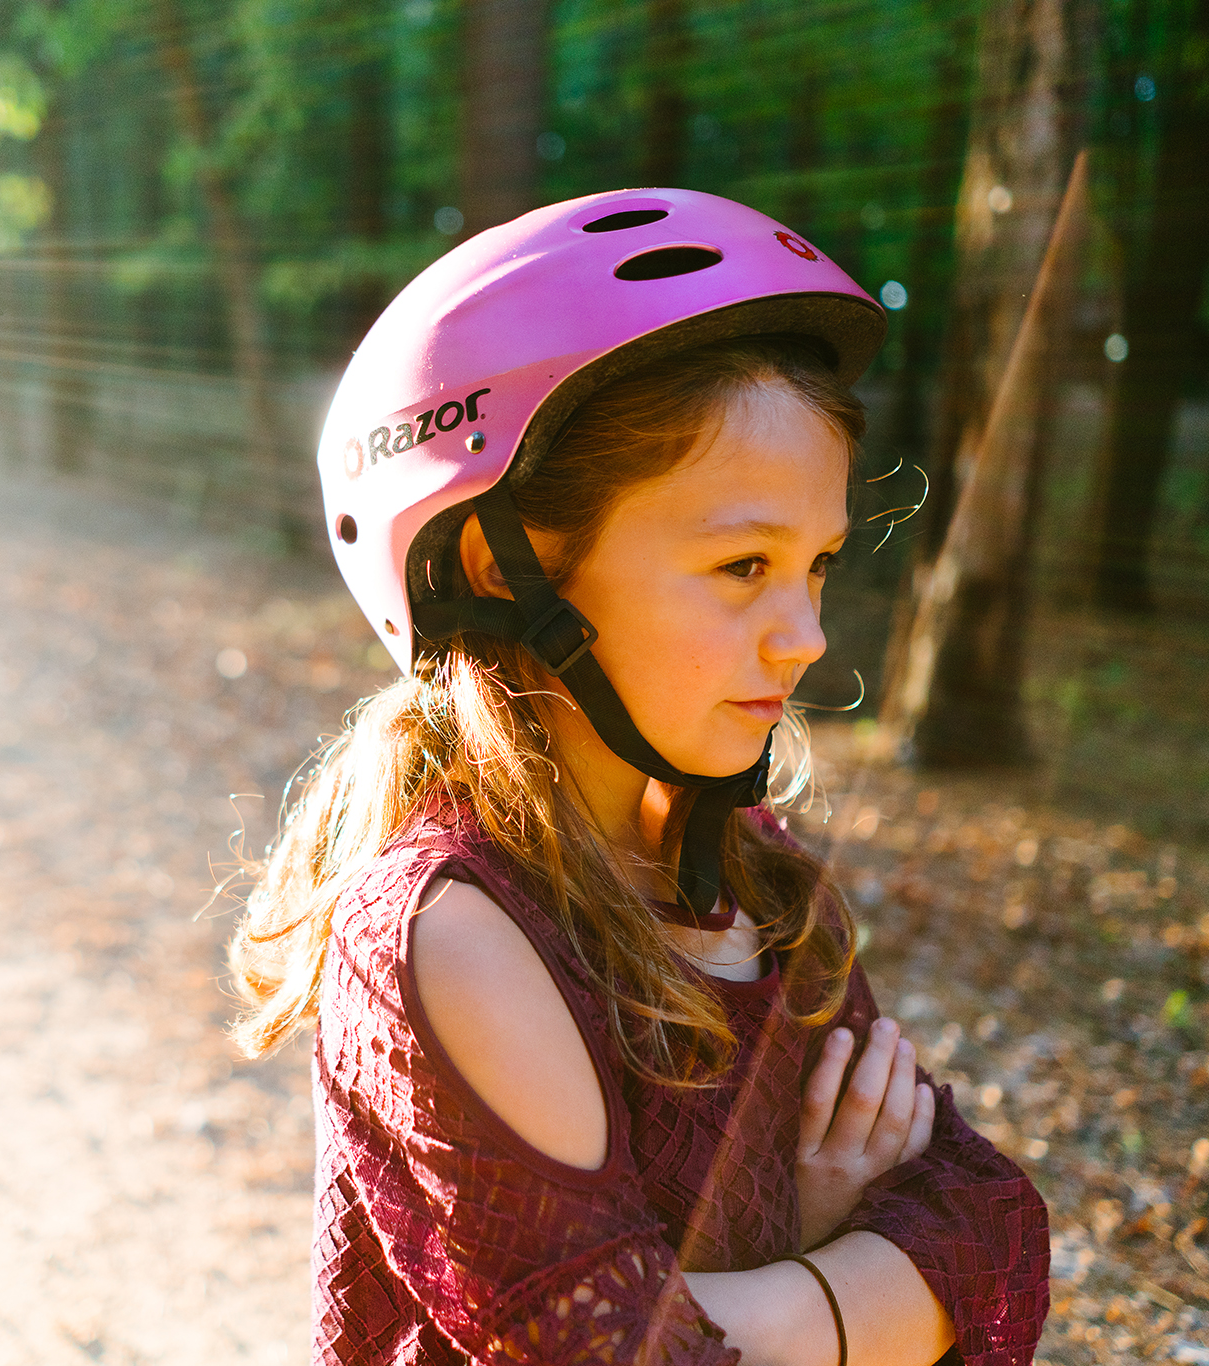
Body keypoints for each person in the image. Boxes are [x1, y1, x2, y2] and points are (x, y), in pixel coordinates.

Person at [228, 189, 1049, 1366]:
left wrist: (733, 1299)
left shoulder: (757, 885)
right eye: (741, 563)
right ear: (496, 566)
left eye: (814, 565)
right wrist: (836, 1261)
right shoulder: (447, 933)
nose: (806, 634)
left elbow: (995, 1221)